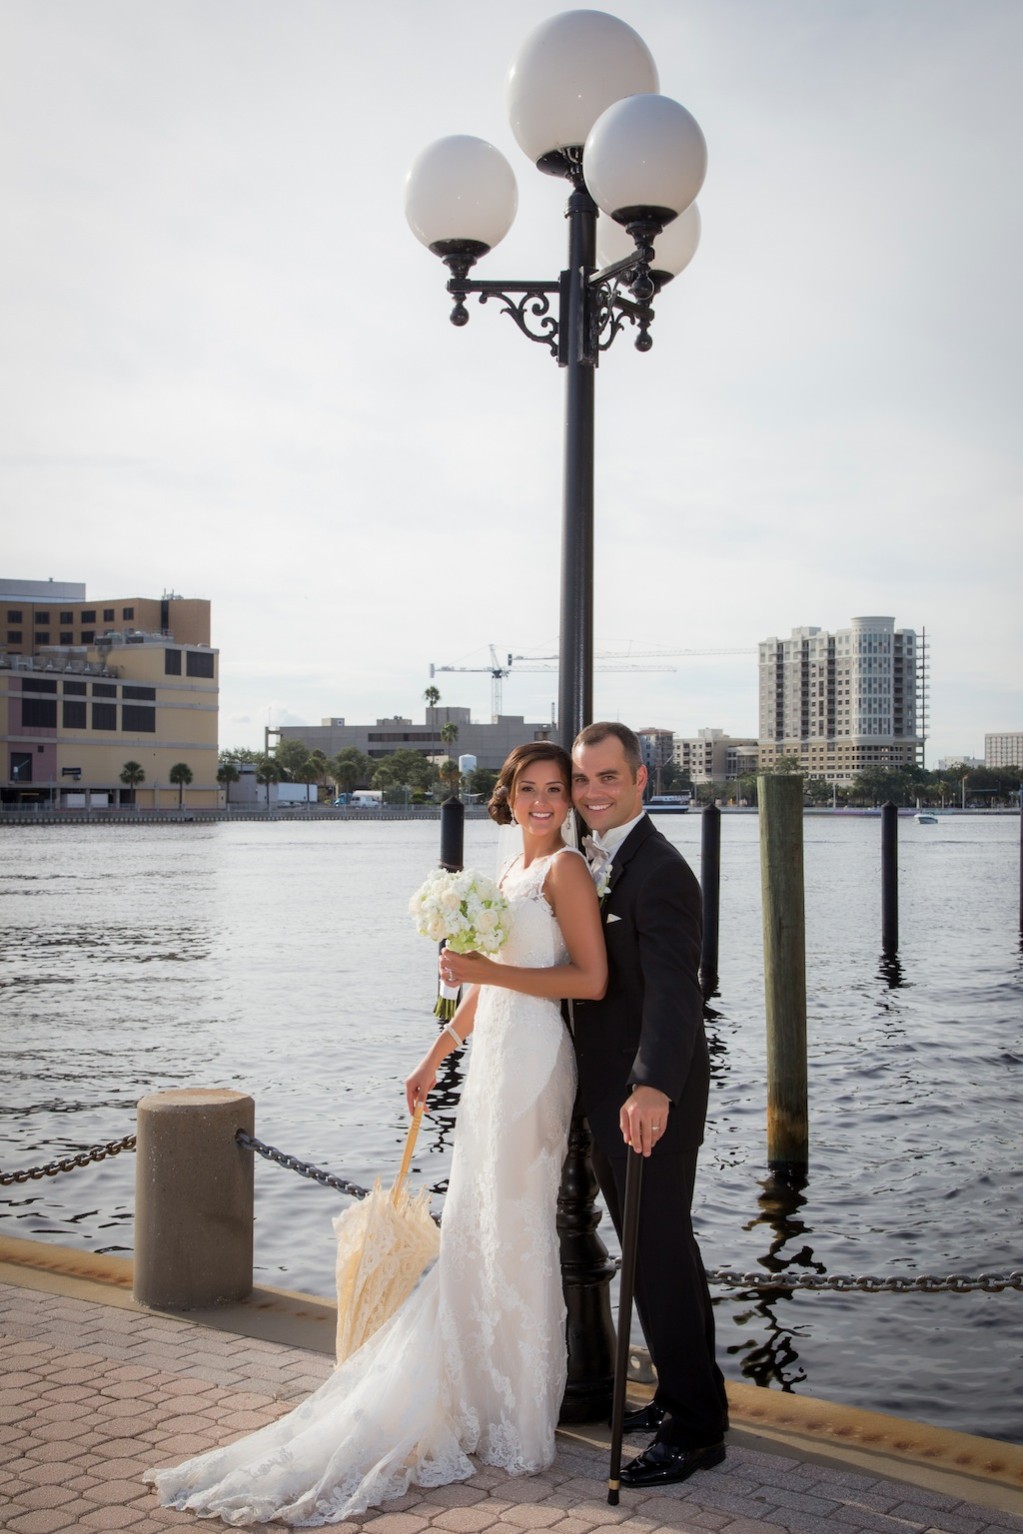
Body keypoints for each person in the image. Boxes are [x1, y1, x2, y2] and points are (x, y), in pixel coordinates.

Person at [145, 742, 605, 1527]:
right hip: (492, 1057)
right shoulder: (504, 876)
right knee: (475, 1227)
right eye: (527, 788)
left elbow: (586, 981)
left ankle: (516, 1412)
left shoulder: (563, 871)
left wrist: (484, 974)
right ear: (507, 795)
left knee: (515, 1229)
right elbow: (477, 992)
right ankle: (479, 1391)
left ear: (567, 801)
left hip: (535, 1064)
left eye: (553, 790)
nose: (540, 802)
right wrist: (432, 1057)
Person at [570, 721, 729, 1488]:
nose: (593, 792)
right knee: (665, 1253)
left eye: (608, 777)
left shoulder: (658, 870)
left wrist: (652, 1087)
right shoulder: (600, 859)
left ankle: (696, 1431)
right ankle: (680, 1396)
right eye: (583, 779)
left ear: (639, 780)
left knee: (658, 1256)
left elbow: (676, 994)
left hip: (648, 1100)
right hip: (610, 1095)